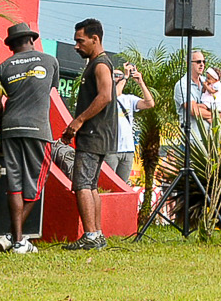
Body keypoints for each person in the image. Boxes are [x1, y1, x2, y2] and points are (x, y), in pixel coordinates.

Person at [0, 22, 56, 253]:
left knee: (14, 185)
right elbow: (46, 92)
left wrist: (6, 114)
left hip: (9, 129)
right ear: (31, 40)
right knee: (36, 183)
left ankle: (14, 238)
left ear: (11, 46)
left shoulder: (1, 68)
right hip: (37, 129)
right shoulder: (49, 61)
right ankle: (17, 240)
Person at [59, 19, 120, 251]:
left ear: (95, 39)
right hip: (100, 134)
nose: (76, 46)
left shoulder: (101, 65)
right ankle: (97, 235)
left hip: (94, 132)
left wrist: (79, 120)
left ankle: (91, 235)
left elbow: (105, 96)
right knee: (91, 184)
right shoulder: (97, 63)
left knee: (82, 183)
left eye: (80, 41)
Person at [110, 59, 157, 188]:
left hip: (128, 149)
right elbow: (114, 95)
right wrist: (125, 77)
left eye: (120, 75)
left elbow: (149, 103)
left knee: (122, 186)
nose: (118, 77)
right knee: (109, 185)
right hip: (111, 149)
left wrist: (140, 82)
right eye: (115, 75)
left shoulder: (128, 99)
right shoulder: (105, 96)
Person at [173, 51, 215, 159]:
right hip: (191, 140)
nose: (202, 64)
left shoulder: (207, 83)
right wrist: (214, 115)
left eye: (203, 62)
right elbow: (193, 111)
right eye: (198, 62)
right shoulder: (182, 85)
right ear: (188, 63)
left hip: (209, 139)